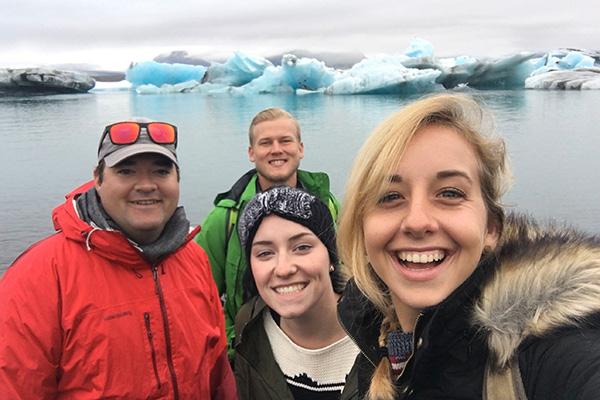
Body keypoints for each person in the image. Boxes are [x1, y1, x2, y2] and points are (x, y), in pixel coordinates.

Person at [336, 94, 600, 399]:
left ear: (491, 228)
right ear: (363, 228)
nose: (418, 221)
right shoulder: (374, 342)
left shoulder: (554, 352)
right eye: (390, 196)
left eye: (449, 193)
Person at [0, 120, 237, 399]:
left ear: (177, 180)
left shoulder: (194, 258)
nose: (147, 185)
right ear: (98, 179)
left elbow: (218, 373)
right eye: (126, 171)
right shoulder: (39, 276)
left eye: (161, 171)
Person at [196, 107, 340, 354]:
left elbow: (343, 273)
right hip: (250, 353)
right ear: (251, 153)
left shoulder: (327, 205)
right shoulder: (225, 218)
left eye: (285, 140)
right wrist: (233, 344)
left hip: (318, 345)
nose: (276, 149)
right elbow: (199, 295)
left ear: (300, 148)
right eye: (265, 143)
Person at [234, 186, 359, 399]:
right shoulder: (249, 327)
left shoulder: (383, 334)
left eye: (301, 247)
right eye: (265, 253)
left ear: (330, 258)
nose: (284, 269)